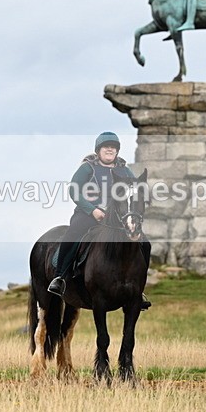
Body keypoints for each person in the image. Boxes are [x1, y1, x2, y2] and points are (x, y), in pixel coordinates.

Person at [47, 132, 152, 310]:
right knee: (73, 234)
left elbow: (134, 192)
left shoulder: (124, 170)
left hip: (116, 219)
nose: (110, 149)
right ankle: (60, 277)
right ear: (99, 150)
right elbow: (74, 191)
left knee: (145, 243)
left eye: (113, 147)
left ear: (117, 151)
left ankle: (138, 289)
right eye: (106, 147)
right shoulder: (88, 168)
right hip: (88, 215)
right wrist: (92, 210)